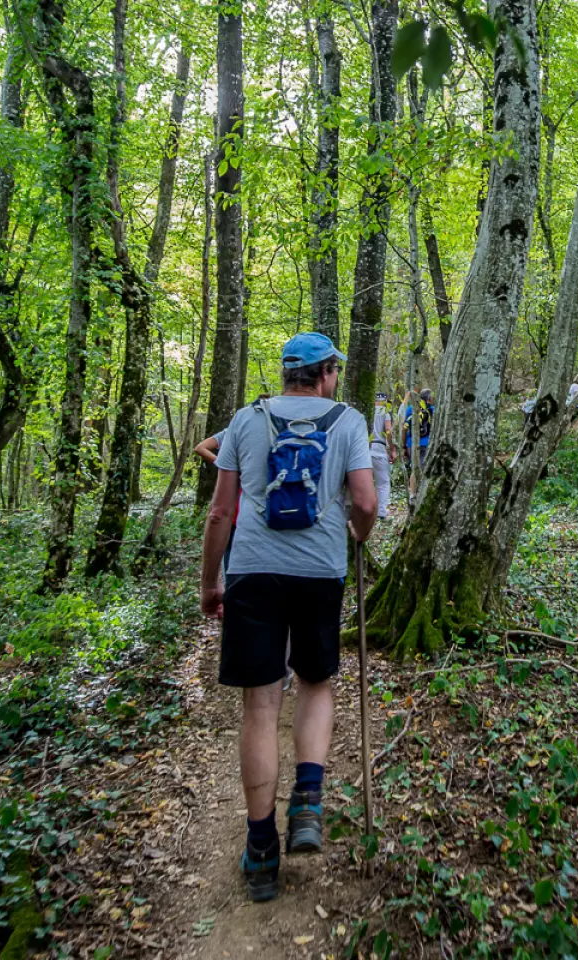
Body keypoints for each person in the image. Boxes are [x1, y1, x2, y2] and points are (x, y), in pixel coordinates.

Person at [199, 332, 378, 904]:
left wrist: (211, 583)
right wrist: (357, 533)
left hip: (253, 571)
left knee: (260, 703)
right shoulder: (348, 420)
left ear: (285, 374)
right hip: (320, 572)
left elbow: (222, 510)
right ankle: (306, 800)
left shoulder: (246, 421)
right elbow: (367, 502)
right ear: (327, 372)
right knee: (315, 682)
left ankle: (260, 852)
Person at [370, 390, 396, 519]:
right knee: (383, 482)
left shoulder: (368, 411)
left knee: (367, 481)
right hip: (379, 448)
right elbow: (388, 431)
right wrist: (392, 449)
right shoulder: (385, 412)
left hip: (364, 448)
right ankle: (381, 512)